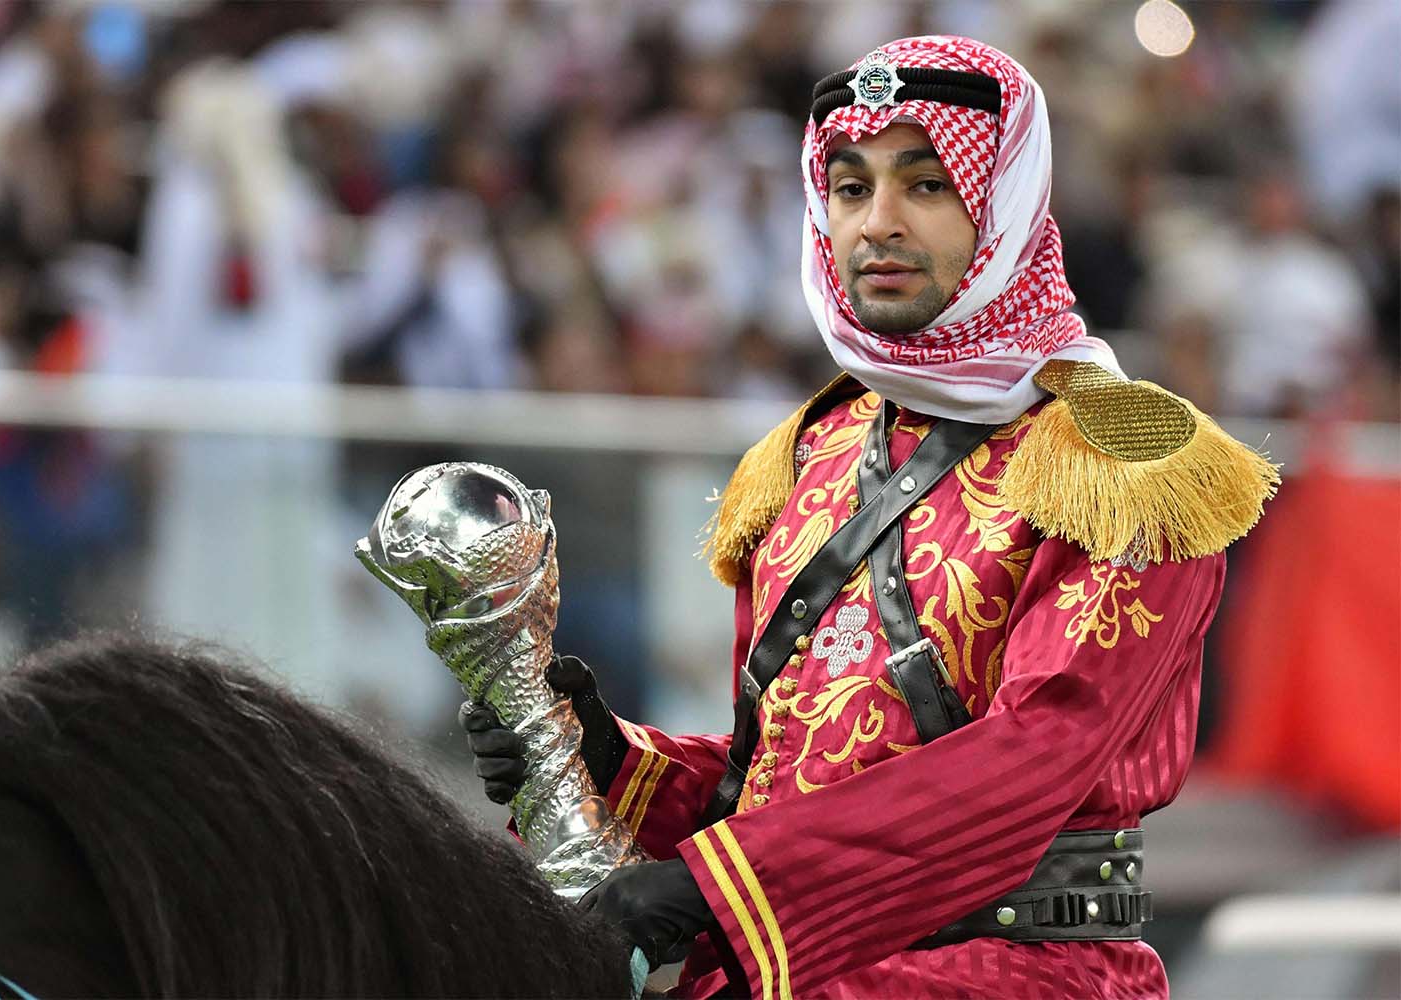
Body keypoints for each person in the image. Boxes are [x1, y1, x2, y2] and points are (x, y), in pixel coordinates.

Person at [464, 35, 1277, 998]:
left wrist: (712, 892)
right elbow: (779, 782)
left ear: (1008, 203)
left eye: (927, 187)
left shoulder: (1127, 455)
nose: (877, 225)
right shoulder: (804, 450)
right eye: (850, 190)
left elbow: (1032, 764)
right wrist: (613, 762)